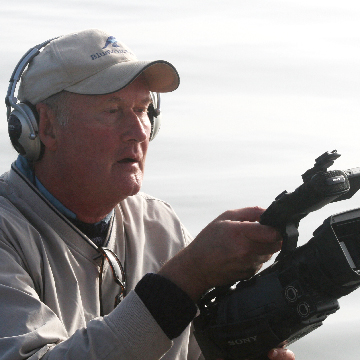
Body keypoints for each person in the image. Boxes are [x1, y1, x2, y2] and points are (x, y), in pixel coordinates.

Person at [0, 29, 295, 360]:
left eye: (142, 110)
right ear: (44, 126)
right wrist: (185, 278)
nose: (139, 131)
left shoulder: (158, 223)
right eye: (113, 110)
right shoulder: (6, 233)